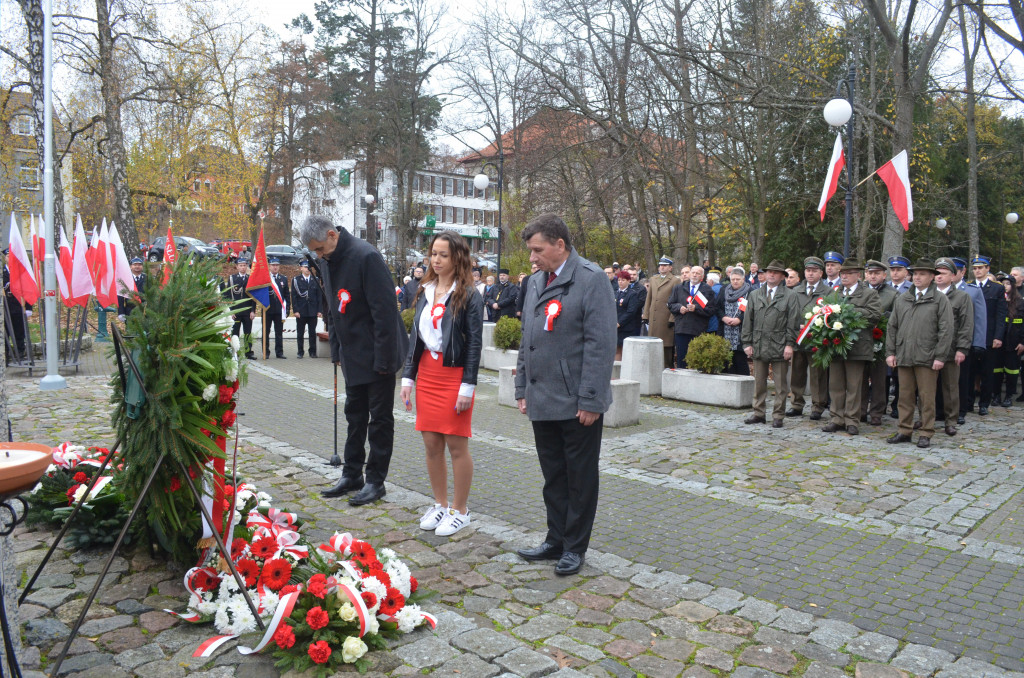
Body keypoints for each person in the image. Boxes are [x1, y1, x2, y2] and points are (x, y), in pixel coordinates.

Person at [514, 213, 616, 576]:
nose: (532, 258)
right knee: (553, 476)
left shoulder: (591, 279)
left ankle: (574, 547)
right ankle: (554, 538)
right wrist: (521, 387)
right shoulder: (536, 282)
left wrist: (591, 399)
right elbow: (528, 339)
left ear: (560, 245)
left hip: (576, 404)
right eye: (530, 251)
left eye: (538, 250)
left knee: (580, 478)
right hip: (543, 399)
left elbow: (601, 345)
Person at [300, 216, 408, 506]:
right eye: (316, 252)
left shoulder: (366, 256)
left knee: (380, 420)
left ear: (333, 235)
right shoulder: (327, 260)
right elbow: (332, 310)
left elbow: (385, 313)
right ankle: (352, 473)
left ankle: (375, 480)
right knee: (354, 415)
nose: (319, 256)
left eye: (321, 249)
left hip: (378, 351)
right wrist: (336, 351)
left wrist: (385, 361)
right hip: (352, 352)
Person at [400, 232, 483, 537]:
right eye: (433, 253)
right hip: (428, 374)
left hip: (454, 375)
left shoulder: (469, 295)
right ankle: (440, 504)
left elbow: (474, 343)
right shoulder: (425, 289)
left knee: (456, 444)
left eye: (443, 255)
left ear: (457, 258)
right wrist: (408, 377)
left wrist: (467, 386)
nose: (435, 259)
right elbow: (415, 339)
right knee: (431, 444)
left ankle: (461, 511)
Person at [886, 259, 954, 449]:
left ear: (932, 277)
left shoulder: (940, 299)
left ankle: (926, 432)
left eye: (922, 274)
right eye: (915, 273)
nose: (917, 277)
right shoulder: (903, 299)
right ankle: (904, 430)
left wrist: (940, 356)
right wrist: (891, 352)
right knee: (904, 396)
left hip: (928, 357)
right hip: (904, 355)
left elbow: (946, 330)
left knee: (927, 398)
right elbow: (892, 327)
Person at [821, 258, 882, 436]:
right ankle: (836, 418)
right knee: (836, 384)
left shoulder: (869, 294)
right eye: (843, 274)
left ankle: (852, 420)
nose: (844, 276)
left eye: (848, 273)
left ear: (858, 275)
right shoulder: (835, 293)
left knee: (855, 386)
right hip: (835, 344)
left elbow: (874, 315)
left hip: (858, 346)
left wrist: (849, 311)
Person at [742, 260, 799, 427]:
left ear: (782, 276)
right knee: (759, 383)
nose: (771, 275)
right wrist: (747, 342)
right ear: (765, 274)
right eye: (769, 272)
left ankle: (778, 416)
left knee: (781, 385)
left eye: (776, 272)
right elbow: (748, 321)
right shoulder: (754, 295)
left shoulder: (790, 296)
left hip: (780, 345)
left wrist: (790, 344)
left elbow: (793, 322)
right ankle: (758, 413)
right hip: (759, 344)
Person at [931, 258, 972, 436]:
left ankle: (951, 420)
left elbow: (966, 325)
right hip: (928, 349)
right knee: (927, 387)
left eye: (943, 273)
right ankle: (928, 418)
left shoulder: (961, 297)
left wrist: (962, 349)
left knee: (950, 387)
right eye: (936, 273)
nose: (938, 277)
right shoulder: (927, 294)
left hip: (950, 349)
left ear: (953, 275)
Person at [788, 256, 831, 419]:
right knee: (797, 374)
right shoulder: (796, 291)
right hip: (799, 339)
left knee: (817, 376)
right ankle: (797, 404)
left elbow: (831, 316)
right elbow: (790, 313)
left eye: (814, 271)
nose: (810, 274)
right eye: (808, 270)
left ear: (821, 273)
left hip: (817, 341)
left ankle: (818, 406)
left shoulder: (828, 292)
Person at [860, 259, 898, 426]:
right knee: (859, 378)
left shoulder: (892, 294)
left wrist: (881, 320)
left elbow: (896, 317)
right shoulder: (859, 290)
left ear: (884, 275)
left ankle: (877, 412)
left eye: (876, 273)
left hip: (880, 341)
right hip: (860, 341)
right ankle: (860, 410)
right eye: (870, 273)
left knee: (879, 380)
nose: (872, 276)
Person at [968, 256, 1007, 415]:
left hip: (989, 336)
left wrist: (998, 336)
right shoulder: (968, 287)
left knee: (987, 372)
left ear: (987, 269)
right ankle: (968, 402)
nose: (977, 271)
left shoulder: (997, 288)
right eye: (975, 268)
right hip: (971, 335)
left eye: (981, 268)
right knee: (969, 372)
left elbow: (1000, 315)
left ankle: (984, 403)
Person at [954, 257, 987, 421]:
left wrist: (978, 343)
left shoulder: (973, 291)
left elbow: (980, 319)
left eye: (955, 271)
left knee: (963, 378)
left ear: (962, 272)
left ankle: (962, 409)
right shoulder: (937, 290)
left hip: (964, 342)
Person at [667, 266, 715, 368]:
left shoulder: (707, 290)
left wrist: (696, 308)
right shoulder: (679, 288)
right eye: (693, 272)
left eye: (697, 273)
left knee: (697, 360)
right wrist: (679, 308)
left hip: (698, 329)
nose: (694, 275)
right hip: (682, 328)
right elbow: (670, 304)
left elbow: (711, 310)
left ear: (702, 276)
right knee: (681, 359)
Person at [643, 256, 679, 367]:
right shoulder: (653, 279)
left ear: (670, 268)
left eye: (665, 265)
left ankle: (667, 370)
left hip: (665, 318)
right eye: (660, 265)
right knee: (653, 346)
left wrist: (672, 319)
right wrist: (646, 315)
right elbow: (649, 298)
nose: (662, 267)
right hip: (654, 318)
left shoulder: (675, 280)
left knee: (666, 348)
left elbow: (676, 300)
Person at [717, 267, 751, 375]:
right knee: (726, 363)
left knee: (740, 362)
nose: (735, 282)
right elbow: (717, 307)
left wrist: (739, 319)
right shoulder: (724, 290)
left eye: (738, 279)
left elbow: (752, 310)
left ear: (743, 279)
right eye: (733, 279)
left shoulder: (750, 292)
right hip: (725, 330)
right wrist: (723, 317)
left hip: (741, 332)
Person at [995, 281, 1023, 406]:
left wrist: (1023, 342)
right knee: (997, 370)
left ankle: (1009, 396)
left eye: (1008, 283)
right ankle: (996, 395)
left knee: (1012, 371)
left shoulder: (1020, 302)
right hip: (999, 340)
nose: (1005, 286)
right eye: (1003, 283)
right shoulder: (999, 300)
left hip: (1014, 342)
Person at [225, 256, 256, 359]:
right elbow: (228, 296)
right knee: (235, 333)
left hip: (247, 311)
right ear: (237, 267)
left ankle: (248, 352)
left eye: (244, 265)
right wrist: (230, 311)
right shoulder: (232, 279)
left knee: (248, 333)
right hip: (236, 311)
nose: (243, 267)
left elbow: (253, 297)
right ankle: (235, 352)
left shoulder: (250, 278)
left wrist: (253, 310)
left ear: (247, 266)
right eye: (240, 265)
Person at [291, 261, 322, 359]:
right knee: (300, 333)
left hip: (312, 310)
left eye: (309, 267)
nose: (307, 269)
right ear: (301, 268)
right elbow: (294, 296)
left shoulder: (315, 279)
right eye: (305, 267)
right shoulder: (296, 280)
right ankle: (300, 352)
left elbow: (319, 296)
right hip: (301, 311)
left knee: (312, 332)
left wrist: (319, 310)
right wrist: (295, 310)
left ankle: (312, 351)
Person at [262, 257, 289, 359]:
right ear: (269, 266)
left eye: (277, 265)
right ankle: (266, 352)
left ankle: (279, 352)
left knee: (279, 332)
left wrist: (287, 310)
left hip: (279, 310)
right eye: (273, 265)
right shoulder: (265, 279)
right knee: (266, 332)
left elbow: (286, 296)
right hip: (267, 309)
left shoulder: (283, 279)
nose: (275, 267)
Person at [615, 270, 643, 359]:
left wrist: (620, 322)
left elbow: (631, 311)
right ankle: (616, 371)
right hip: (614, 326)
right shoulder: (615, 293)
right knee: (616, 350)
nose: (620, 282)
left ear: (628, 281)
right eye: (619, 280)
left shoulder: (632, 294)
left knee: (625, 351)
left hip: (626, 327)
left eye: (623, 280)